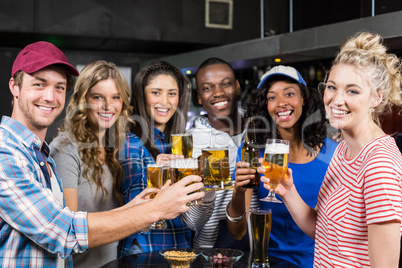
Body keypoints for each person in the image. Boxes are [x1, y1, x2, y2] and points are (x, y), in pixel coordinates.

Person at [0, 41, 204, 267]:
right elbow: (65, 232)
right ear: (14, 86)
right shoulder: (9, 153)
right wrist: (154, 209)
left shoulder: (42, 153)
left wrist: (146, 203)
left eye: (59, 87)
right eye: (39, 84)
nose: (50, 96)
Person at [268, 32, 402, 267]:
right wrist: (288, 192)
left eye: (352, 90)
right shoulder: (343, 150)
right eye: (332, 87)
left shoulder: (379, 164)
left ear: (376, 97)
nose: (337, 100)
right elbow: (324, 234)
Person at [226, 65, 338, 267]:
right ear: (265, 106)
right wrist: (238, 191)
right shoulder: (254, 151)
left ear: (304, 98)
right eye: (272, 97)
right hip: (274, 262)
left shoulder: (332, 152)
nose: (281, 103)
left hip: (324, 260)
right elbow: (237, 231)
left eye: (289, 94)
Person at [49, 60, 139, 267]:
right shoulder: (65, 149)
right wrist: (137, 215)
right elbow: (69, 232)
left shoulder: (117, 147)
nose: (108, 106)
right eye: (98, 97)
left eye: (115, 97)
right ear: (83, 101)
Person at [119, 60, 201, 255]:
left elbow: (190, 213)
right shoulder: (131, 143)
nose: (165, 102)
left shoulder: (179, 143)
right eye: (156, 93)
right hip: (145, 252)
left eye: (171, 94)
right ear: (142, 96)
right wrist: (156, 176)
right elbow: (137, 217)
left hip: (180, 247)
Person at [181, 57, 259, 250]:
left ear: (238, 87)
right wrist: (207, 189)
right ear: (199, 97)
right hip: (213, 254)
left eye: (225, 84)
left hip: (264, 248)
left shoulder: (260, 129)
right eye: (208, 88)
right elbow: (192, 223)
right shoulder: (188, 143)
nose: (218, 93)